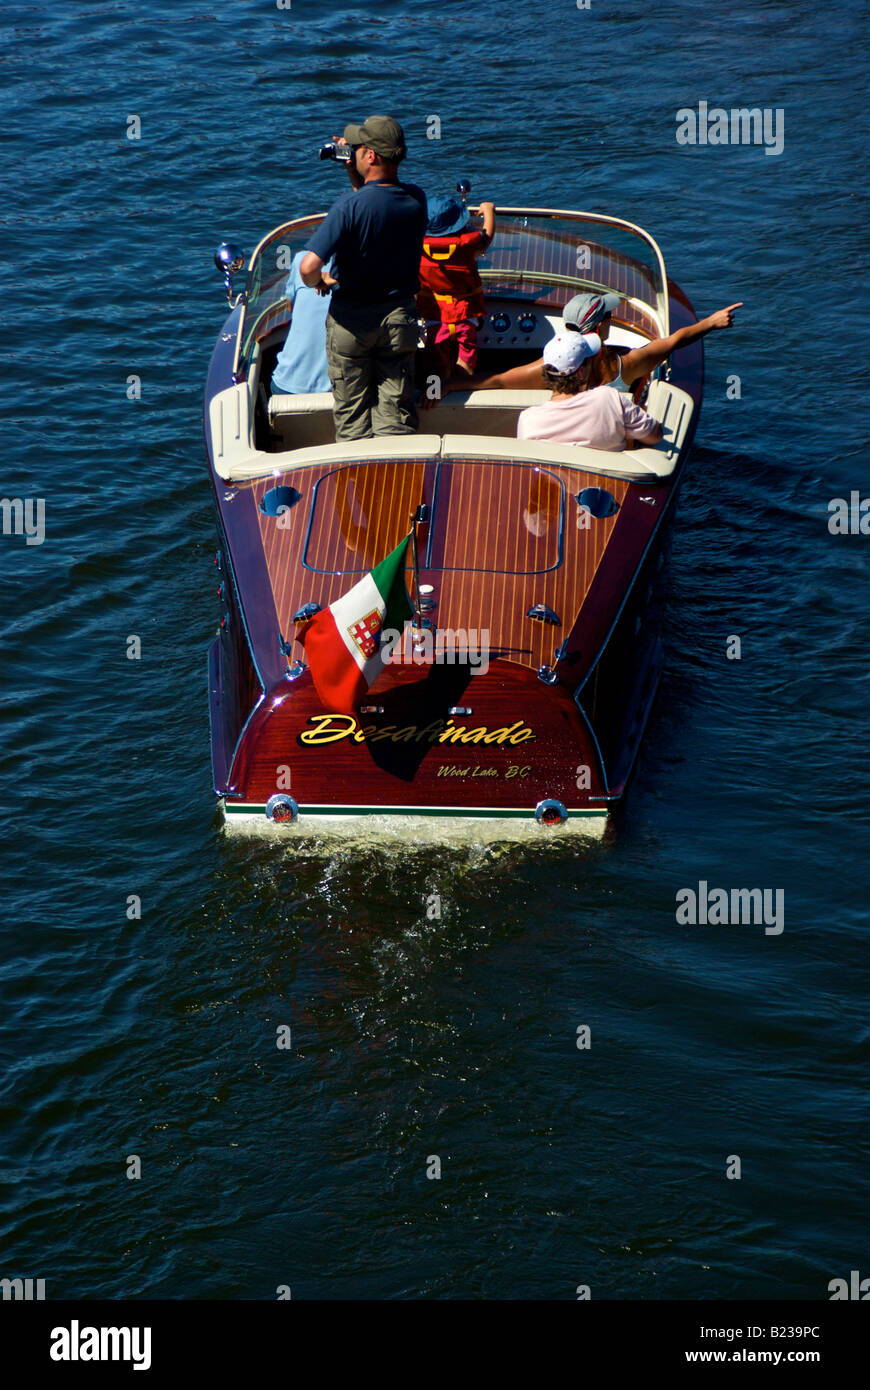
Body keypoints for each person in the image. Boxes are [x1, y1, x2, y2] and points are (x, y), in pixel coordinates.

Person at [299, 115, 428, 440]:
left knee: (353, 418)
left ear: (370, 156)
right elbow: (378, 206)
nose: (353, 152)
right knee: (395, 415)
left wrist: (320, 282)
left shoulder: (347, 207)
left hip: (351, 321)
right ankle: (398, 484)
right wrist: (354, 175)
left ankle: (359, 484)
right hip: (398, 318)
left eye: (357, 148)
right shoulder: (416, 200)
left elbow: (308, 267)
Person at [468, 294, 743, 394]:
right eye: (609, 316)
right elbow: (675, 341)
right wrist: (711, 322)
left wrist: (449, 385)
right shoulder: (629, 365)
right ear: (601, 327)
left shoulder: (550, 368)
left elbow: (498, 381)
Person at [516, 333, 663, 451]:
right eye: (589, 360)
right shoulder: (608, 399)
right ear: (580, 372)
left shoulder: (528, 419)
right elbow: (655, 435)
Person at [417, 194, 495, 379]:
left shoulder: (416, 247)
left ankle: (437, 394)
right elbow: (486, 239)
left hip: (434, 315)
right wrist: (489, 212)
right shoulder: (468, 246)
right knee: (466, 359)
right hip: (466, 315)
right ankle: (460, 389)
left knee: (438, 362)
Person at [270, 251, 333, 396]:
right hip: (339, 390)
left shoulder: (302, 260)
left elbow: (291, 307)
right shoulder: (367, 266)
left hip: (287, 386)